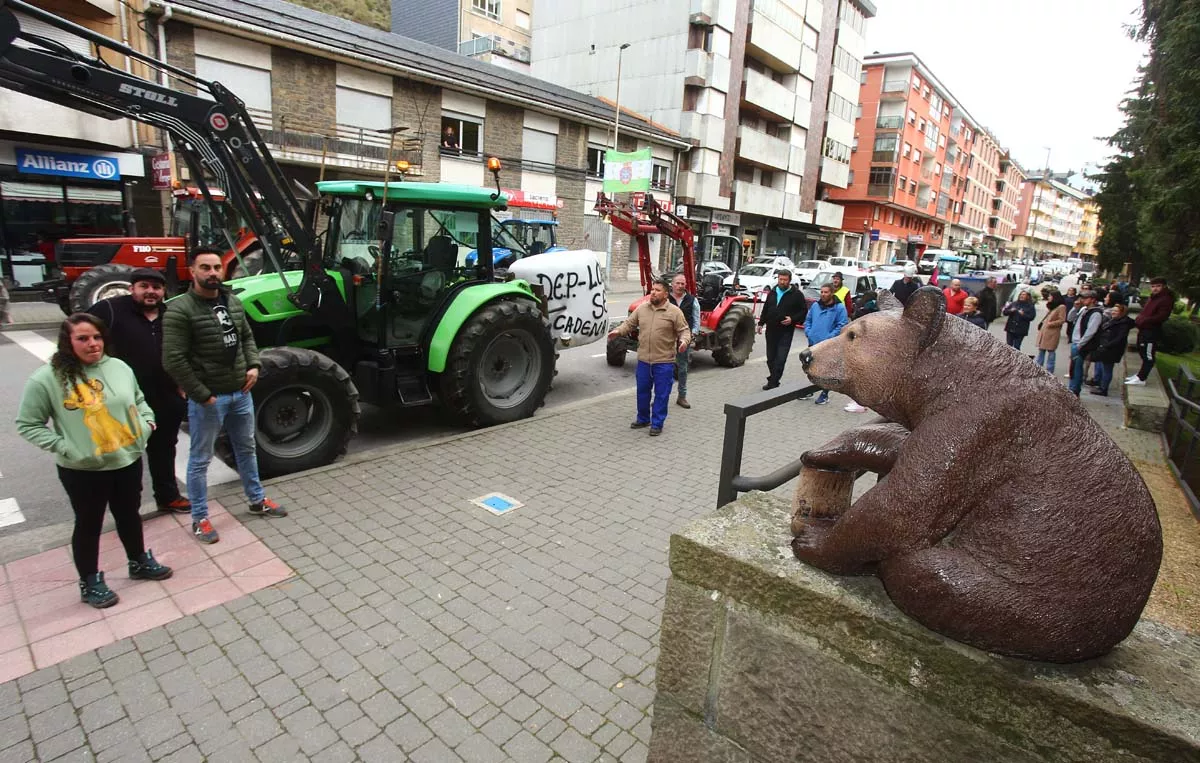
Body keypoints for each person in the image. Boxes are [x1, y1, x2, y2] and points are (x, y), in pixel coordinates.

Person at [16, 314, 172, 608]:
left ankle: (138, 561)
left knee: (129, 514)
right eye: (83, 339)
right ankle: (89, 580)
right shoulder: (47, 378)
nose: (92, 344)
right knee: (89, 524)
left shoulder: (118, 367)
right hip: (83, 469)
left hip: (126, 459)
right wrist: (65, 446)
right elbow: (28, 424)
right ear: (67, 342)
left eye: (97, 337)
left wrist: (147, 422)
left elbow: (138, 399)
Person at [163, 248, 287, 545]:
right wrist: (202, 395)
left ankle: (256, 500)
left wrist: (254, 366)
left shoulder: (231, 301)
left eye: (217, 267)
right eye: (205, 267)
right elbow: (173, 359)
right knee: (200, 460)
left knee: (246, 449)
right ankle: (200, 518)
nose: (213, 273)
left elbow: (245, 337)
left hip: (240, 394)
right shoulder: (180, 311)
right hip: (210, 400)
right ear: (192, 271)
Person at [87, 269, 190, 514]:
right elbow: (78, 334)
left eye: (157, 287)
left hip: (165, 396)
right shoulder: (109, 310)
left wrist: (183, 384)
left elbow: (187, 350)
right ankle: (126, 506)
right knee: (123, 454)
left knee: (164, 449)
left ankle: (168, 497)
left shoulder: (171, 315)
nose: (151, 292)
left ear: (164, 292)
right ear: (132, 288)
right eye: (144, 286)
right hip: (122, 399)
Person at [607, 280, 691, 436]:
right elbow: (629, 324)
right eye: (652, 289)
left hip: (664, 362)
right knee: (643, 392)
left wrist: (684, 341)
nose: (653, 292)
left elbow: (684, 331)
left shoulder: (674, 312)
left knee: (661, 394)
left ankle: (657, 423)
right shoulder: (642, 308)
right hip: (644, 360)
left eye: (658, 290)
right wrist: (618, 332)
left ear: (666, 294)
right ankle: (643, 418)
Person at [757, 269, 807, 391]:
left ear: (789, 280)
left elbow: (803, 311)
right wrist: (760, 323)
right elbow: (766, 308)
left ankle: (773, 382)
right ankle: (774, 378)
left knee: (780, 359)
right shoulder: (773, 292)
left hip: (786, 331)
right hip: (771, 330)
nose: (782, 282)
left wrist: (793, 319)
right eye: (780, 279)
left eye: (785, 280)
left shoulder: (797, 294)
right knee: (770, 358)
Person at [803, 284, 849, 406]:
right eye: (822, 292)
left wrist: (829, 337)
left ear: (832, 293)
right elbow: (808, 320)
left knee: (825, 371)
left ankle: (824, 394)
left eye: (826, 292)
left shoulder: (839, 308)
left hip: (827, 345)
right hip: (812, 343)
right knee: (810, 368)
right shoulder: (815, 306)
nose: (823, 294)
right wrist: (808, 331)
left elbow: (842, 325)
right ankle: (808, 391)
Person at [1127, 277, 1174, 386]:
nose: (1155, 289)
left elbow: (1161, 316)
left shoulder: (1166, 299)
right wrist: (1140, 319)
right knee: (1142, 351)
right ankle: (1139, 375)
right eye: (1153, 286)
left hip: (1151, 331)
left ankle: (1142, 378)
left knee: (1148, 356)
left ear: (1164, 286)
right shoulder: (1153, 298)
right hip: (1144, 329)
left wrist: (1144, 320)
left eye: (1158, 286)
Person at [668, 273, 700, 408]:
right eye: (678, 283)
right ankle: (661, 397)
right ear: (672, 284)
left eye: (683, 283)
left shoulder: (692, 300)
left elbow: (696, 319)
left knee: (682, 369)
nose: (680, 286)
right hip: (667, 339)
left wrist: (692, 334)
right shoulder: (666, 299)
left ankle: (682, 397)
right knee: (664, 369)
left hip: (683, 340)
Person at [1089, 304, 1136, 396]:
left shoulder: (1123, 324)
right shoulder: (1115, 320)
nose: (1113, 312)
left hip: (1111, 350)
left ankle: (1103, 389)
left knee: (1107, 369)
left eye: (1116, 311)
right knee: (1104, 367)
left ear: (1122, 313)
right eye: (1112, 310)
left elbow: (1119, 338)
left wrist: (1106, 345)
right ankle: (1101, 385)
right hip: (1106, 348)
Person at [1067, 290, 1104, 397]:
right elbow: (1070, 318)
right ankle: (1071, 388)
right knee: (1073, 368)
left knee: (1077, 368)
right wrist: (1075, 308)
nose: (1082, 300)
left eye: (1085, 298)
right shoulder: (1083, 309)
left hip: (1081, 344)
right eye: (1082, 298)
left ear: (1093, 299)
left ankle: (1074, 390)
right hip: (1075, 341)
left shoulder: (1096, 313)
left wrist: (1080, 344)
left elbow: (1091, 331)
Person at [1035, 290, 1067, 373]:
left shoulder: (1061, 307)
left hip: (1052, 332)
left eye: (1050, 296)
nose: (1048, 298)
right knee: (1041, 350)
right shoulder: (1052, 307)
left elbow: (1062, 320)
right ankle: (1038, 367)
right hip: (1045, 331)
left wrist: (1050, 324)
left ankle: (1049, 370)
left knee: (1051, 351)